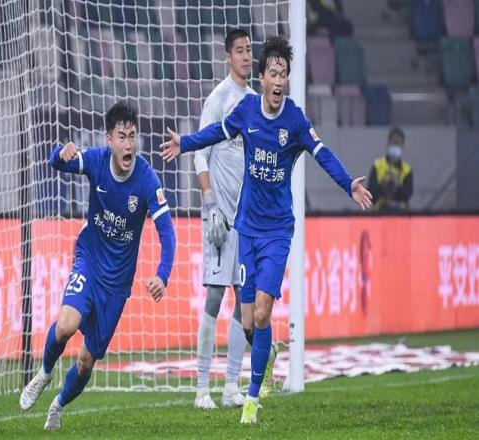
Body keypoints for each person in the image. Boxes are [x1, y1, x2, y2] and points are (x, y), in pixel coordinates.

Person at [160, 35, 372, 424]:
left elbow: (322, 154)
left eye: (284, 74)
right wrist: (184, 143)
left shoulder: (294, 119)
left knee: (261, 312)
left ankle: (252, 398)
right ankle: (267, 355)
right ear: (261, 78)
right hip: (247, 228)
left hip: (277, 232)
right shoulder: (245, 111)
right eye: (273, 73)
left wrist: (348, 185)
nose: (279, 81)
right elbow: (216, 132)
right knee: (247, 321)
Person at [19, 102, 176, 431]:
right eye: (122, 137)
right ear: (109, 140)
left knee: (86, 361)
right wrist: (61, 152)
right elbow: (55, 162)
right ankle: (44, 373)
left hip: (117, 285)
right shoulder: (96, 160)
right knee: (66, 324)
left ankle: (58, 405)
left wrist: (162, 275)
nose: (128, 144)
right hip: (89, 260)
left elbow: (168, 234)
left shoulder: (147, 179)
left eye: (132, 136)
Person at [193, 29, 255, 410]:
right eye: (240, 51)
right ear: (228, 57)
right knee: (215, 296)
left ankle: (231, 385)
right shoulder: (218, 99)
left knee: (242, 300)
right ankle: (202, 388)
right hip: (219, 217)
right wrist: (210, 201)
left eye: (249, 50)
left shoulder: (254, 103)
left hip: (245, 220)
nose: (247, 56)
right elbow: (199, 153)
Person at [368, 127, 413, 212]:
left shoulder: (407, 170)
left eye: (398, 143)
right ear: (388, 144)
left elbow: (407, 195)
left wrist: (397, 186)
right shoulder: (377, 165)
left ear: (402, 146)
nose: (395, 146)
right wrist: (382, 185)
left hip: (400, 213)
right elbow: (370, 194)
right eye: (393, 142)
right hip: (380, 212)